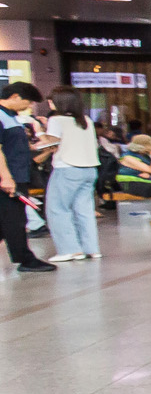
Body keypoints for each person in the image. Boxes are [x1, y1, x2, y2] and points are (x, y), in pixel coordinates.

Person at [39, 86, 101, 262]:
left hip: (67, 168)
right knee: (85, 210)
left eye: (51, 100)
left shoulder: (57, 120)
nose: (49, 103)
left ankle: (70, 250)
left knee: (57, 209)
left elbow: (49, 145)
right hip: (90, 169)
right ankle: (91, 249)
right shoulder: (86, 120)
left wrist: (39, 130)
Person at [0, 80, 52, 272]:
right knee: (15, 219)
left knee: (7, 219)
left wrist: (38, 148)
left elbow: (12, 145)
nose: (29, 106)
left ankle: (24, 257)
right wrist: (6, 177)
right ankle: (25, 260)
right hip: (9, 178)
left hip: (18, 174)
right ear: (15, 97)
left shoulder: (11, 117)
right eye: (28, 102)